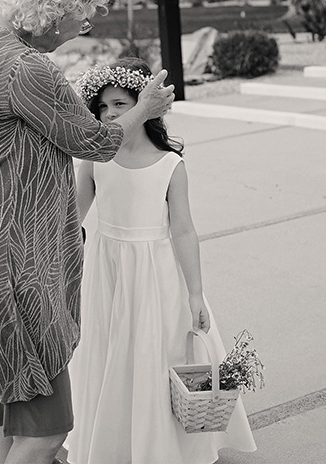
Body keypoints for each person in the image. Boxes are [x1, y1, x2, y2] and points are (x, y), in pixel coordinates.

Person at [0, 0, 175, 464]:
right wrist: (147, 106)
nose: (83, 27)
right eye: (83, 14)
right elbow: (96, 142)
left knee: (10, 418)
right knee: (44, 435)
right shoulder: (27, 68)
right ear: (57, 6)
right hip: (11, 270)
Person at [66, 59, 256, 463]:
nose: (110, 114)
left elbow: (184, 230)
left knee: (158, 357)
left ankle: (162, 448)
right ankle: (113, 444)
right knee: (110, 354)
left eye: (119, 103)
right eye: (102, 108)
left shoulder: (171, 165)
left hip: (155, 273)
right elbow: (71, 217)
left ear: (146, 105)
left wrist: (196, 294)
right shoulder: (97, 158)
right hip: (107, 270)